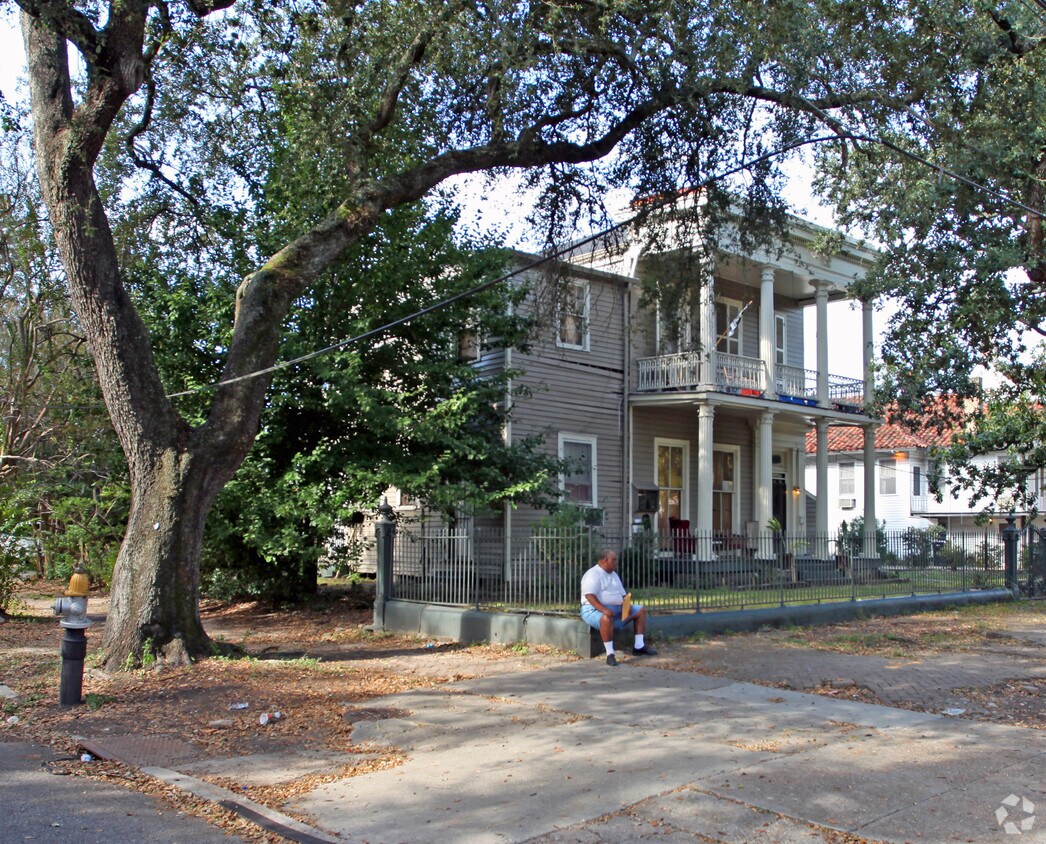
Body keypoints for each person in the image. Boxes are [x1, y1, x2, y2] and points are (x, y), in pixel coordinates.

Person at [580, 548, 657, 666]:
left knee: (640, 610)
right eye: (614, 560)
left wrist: (627, 604)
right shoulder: (592, 574)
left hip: (617, 609)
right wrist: (604, 609)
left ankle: (639, 646)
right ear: (605, 560)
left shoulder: (614, 575)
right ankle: (610, 654)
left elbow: (622, 594)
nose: (616, 563)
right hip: (593, 609)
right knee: (606, 618)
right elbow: (590, 596)